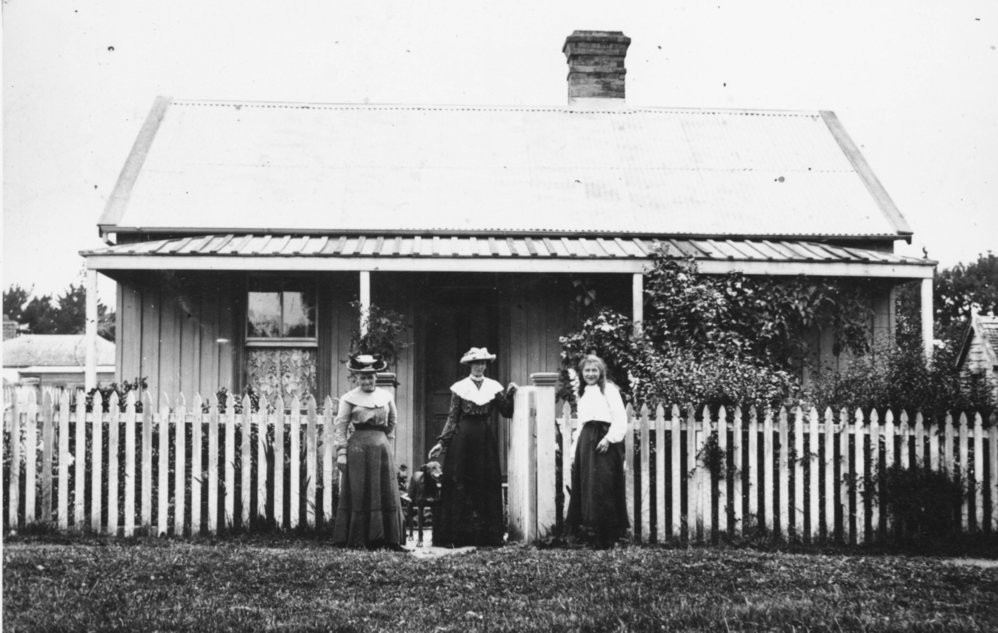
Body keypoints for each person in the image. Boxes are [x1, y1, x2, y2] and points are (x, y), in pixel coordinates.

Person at [428, 347, 517, 547]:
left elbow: (507, 411)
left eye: (482, 363)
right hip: (463, 438)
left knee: (484, 482)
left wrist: (510, 393)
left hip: (484, 438)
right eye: (475, 363)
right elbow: (452, 418)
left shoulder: (494, 386)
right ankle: (457, 536)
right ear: (469, 365)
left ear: (486, 365)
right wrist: (442, 443)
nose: (479, 366)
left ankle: (486, 536)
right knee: (460, 481)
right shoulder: (460, 387)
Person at [332, 354, 406, 549]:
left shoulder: (386, 396)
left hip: (381, 448)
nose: (367, 380)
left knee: (385, 490)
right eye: (363, 377)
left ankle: (389, 539)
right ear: (356, 378)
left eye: (370, 376)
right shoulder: (349, 398)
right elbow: (341, 426)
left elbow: (392, 422)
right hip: (358, 448)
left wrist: (382, 439)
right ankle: (359, 538)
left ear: (376, 377)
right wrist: (342, 452)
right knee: (360, 489)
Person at [565, 354, 630, 547]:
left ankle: (608, 537)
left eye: (594, 370)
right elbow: (582, 424)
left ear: (601, 372)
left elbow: (620, 417)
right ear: (582, 373)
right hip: (587, 439)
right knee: (588, 487)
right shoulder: (583, 392)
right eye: (587, 370)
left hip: (604, 438)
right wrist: (573, 451)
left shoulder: (609, 390)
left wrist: (609, 439)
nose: (591, 374)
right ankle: (591, 535)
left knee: (604, 485)